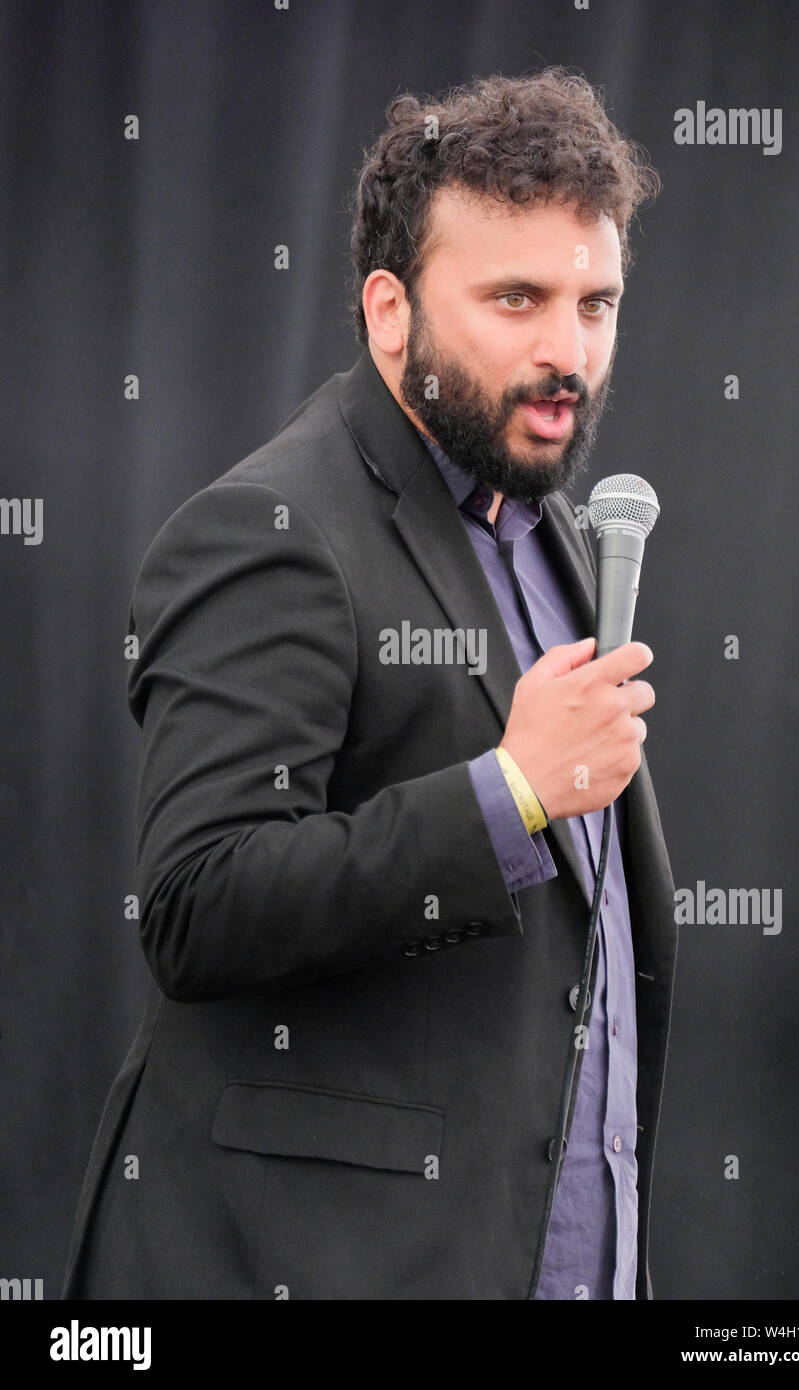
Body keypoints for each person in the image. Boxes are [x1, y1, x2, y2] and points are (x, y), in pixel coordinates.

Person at [63, 66, 677, 1301]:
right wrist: (509, 790)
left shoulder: (541, 527)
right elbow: (197, 900)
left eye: (593, 302)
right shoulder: (269, 526)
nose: (566, 352)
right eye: (515, 299)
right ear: (388, 310)